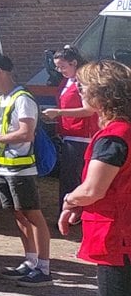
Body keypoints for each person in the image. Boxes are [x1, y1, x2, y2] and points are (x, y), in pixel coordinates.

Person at [58, 60, 131, 296]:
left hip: (119, 242)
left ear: (103, 96)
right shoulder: (120, 134)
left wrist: (70, 199)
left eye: (85, 88)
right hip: (121, 238)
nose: (81, 93)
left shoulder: (114, 138)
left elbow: (93, 190)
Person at [0, 52, 52, 283]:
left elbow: (26, 133)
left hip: (21, 168)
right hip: (3, 166)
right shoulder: (1, 99)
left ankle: (44, 267)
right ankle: (30, 261)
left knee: (33, 215)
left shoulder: (22, 98)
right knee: (18, 214)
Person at [46, 45, 99, 198]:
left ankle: (70, 215)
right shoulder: (68, 80)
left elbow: (89, 110)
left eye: (62, 66)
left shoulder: (83, 82)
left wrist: (58, 113)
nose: (59, 70)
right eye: (57, 67)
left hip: (82, 137)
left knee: (72, 179)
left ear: (74, 63)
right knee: (68, 179)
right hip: (70, 134)